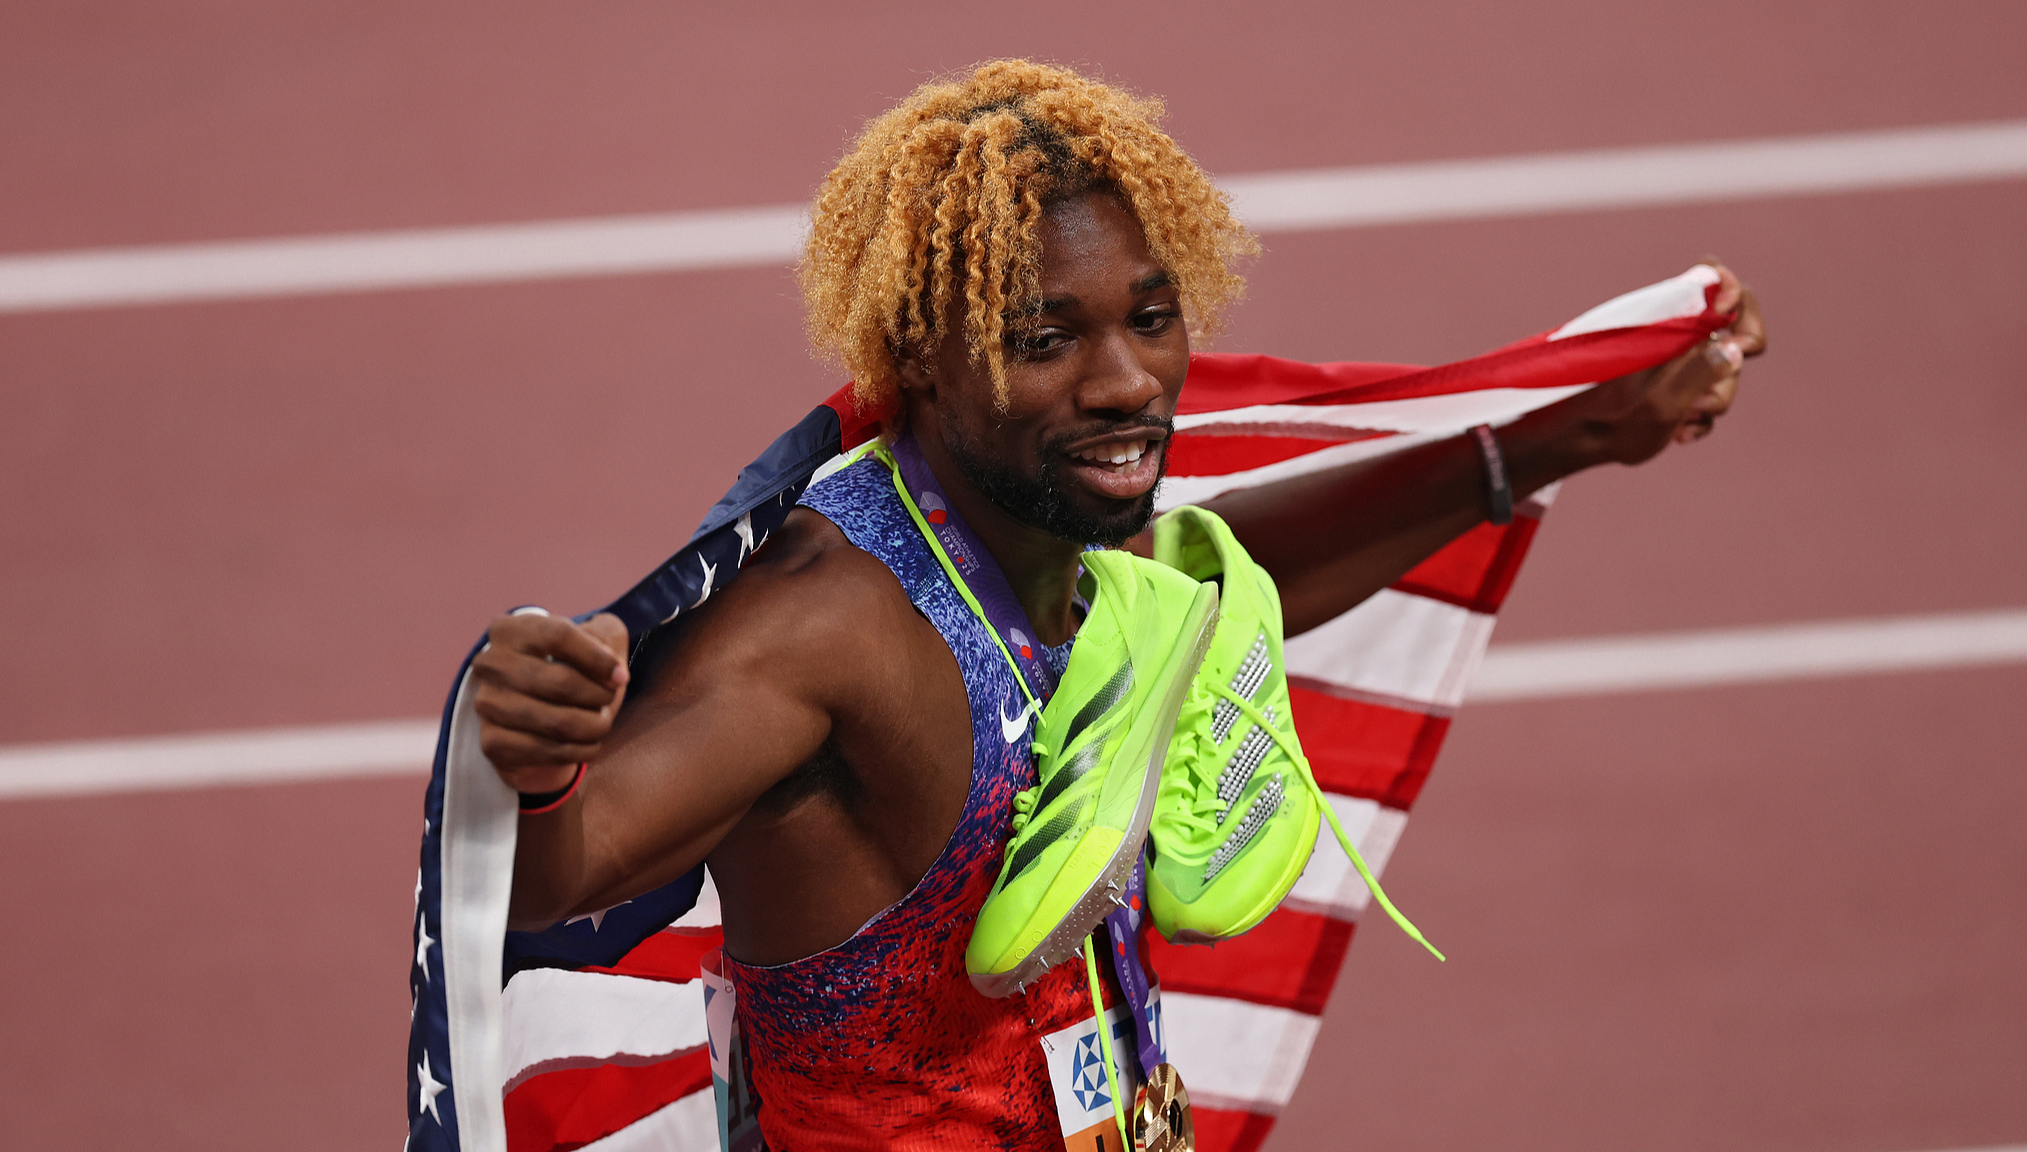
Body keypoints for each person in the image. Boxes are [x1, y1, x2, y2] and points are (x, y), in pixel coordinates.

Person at [465, 60, 1765, 1149]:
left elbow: (1225, 577)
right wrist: (538, 763)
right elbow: (557, 880)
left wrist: (1550, 442)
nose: (1129, 382)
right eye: (1048, 341)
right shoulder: (827, 623)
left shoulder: (1066, 544)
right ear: (921, 355)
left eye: (1152, 318)